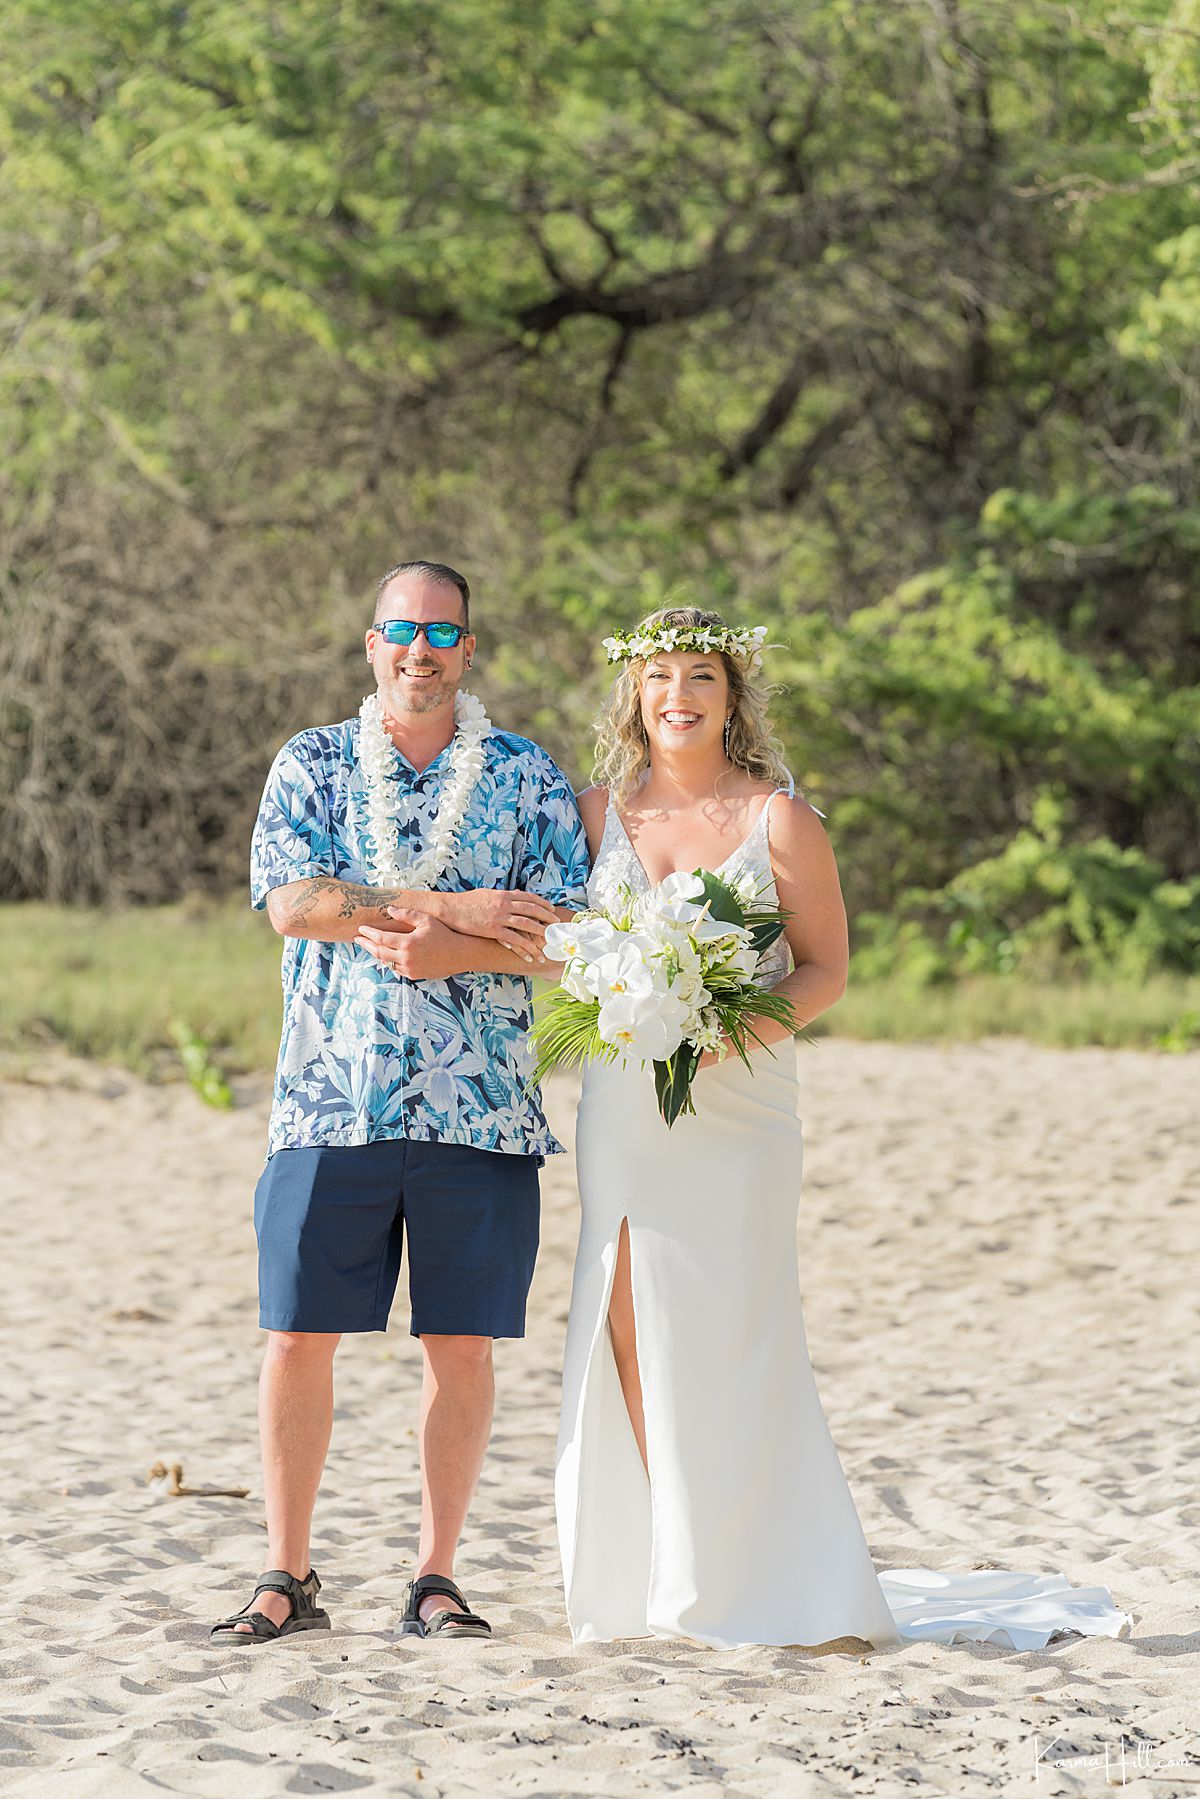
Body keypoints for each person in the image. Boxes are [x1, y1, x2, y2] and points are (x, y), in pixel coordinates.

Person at [554, 605, 1130, 1652]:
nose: (677, 695)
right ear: (633, 695)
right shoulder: (592, 811)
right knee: (624, 1318)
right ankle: (660, 1557)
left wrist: (727, 1030)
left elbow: (825, 968)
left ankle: (748, 1565)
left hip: (741, 1106)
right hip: (626, 1104)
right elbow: (557, 947)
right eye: (659, 677)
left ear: (733, 699)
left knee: (733, 1326)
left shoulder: (782, 820)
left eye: (700, 678)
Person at [211, 559, 588, 1645]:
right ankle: (285, 1571)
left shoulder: (523, 773)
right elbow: (295, 903)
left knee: (461, 1344)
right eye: (400, 629)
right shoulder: (315, 763)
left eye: (441, 630)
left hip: (480, 1105)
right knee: (293, 1337)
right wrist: (453, 905)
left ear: (468, 650)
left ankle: (436, 1575)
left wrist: (448, 947)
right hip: (331, 1100)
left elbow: (566, 932)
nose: (420, 648)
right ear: (372, 646)